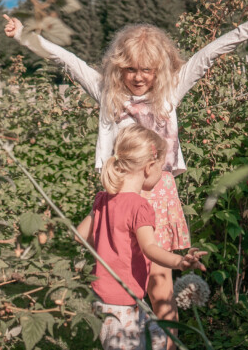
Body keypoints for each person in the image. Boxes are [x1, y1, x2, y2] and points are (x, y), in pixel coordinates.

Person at [3, 2, 248, 349]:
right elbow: (67, 60)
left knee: (160, 277)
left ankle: (167, 342)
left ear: (161, 69)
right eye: (130, 69)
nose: (139, 76)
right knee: (121, 267)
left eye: (148, 69)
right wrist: (22, 34)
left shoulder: (169, 92)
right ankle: (124, 330)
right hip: (120, 194)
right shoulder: (106, 93)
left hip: (158, 194)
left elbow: (210, 52)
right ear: (118, 68)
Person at [75, 124, 207, 350]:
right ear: (149, 167)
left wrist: (109, 242)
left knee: (157, 339)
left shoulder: (103, 200)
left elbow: (80, 236)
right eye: (162, 167)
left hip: (106, 300)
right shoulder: (140, 206)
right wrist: (180, 261)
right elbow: (150, 249)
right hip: (123, 305)